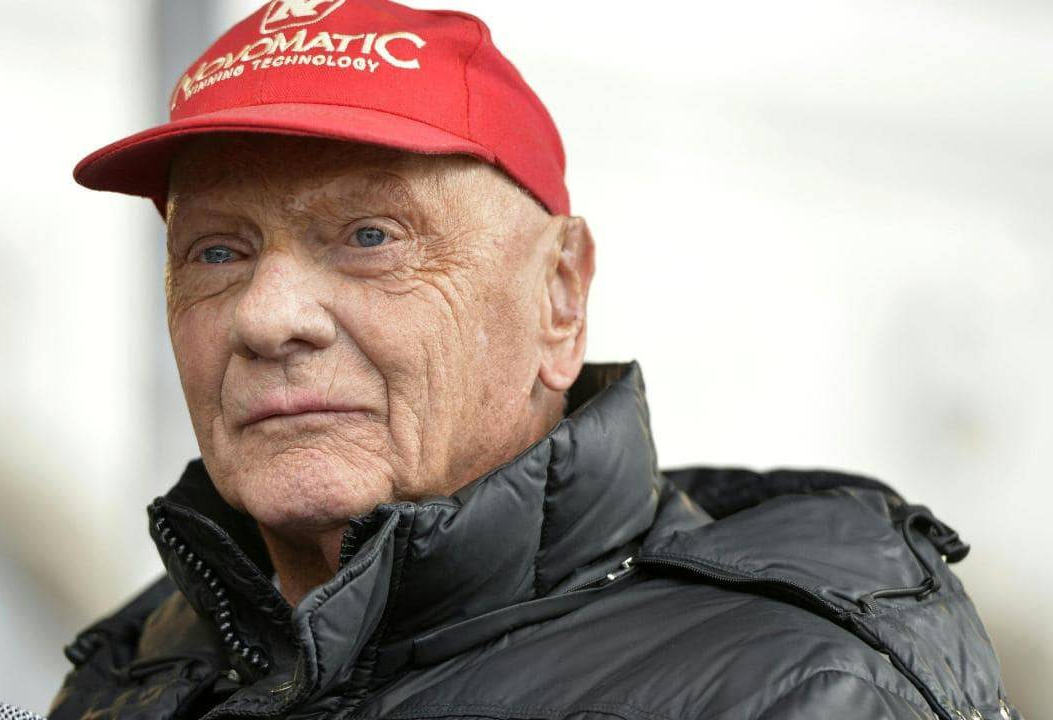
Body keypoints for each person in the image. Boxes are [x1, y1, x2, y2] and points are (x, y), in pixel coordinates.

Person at [49, 1, 1019, 718]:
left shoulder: (789, 690)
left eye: (370, 236)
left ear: (560, 297)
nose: (267, 318)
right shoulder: (140, 662)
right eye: (216, 253)